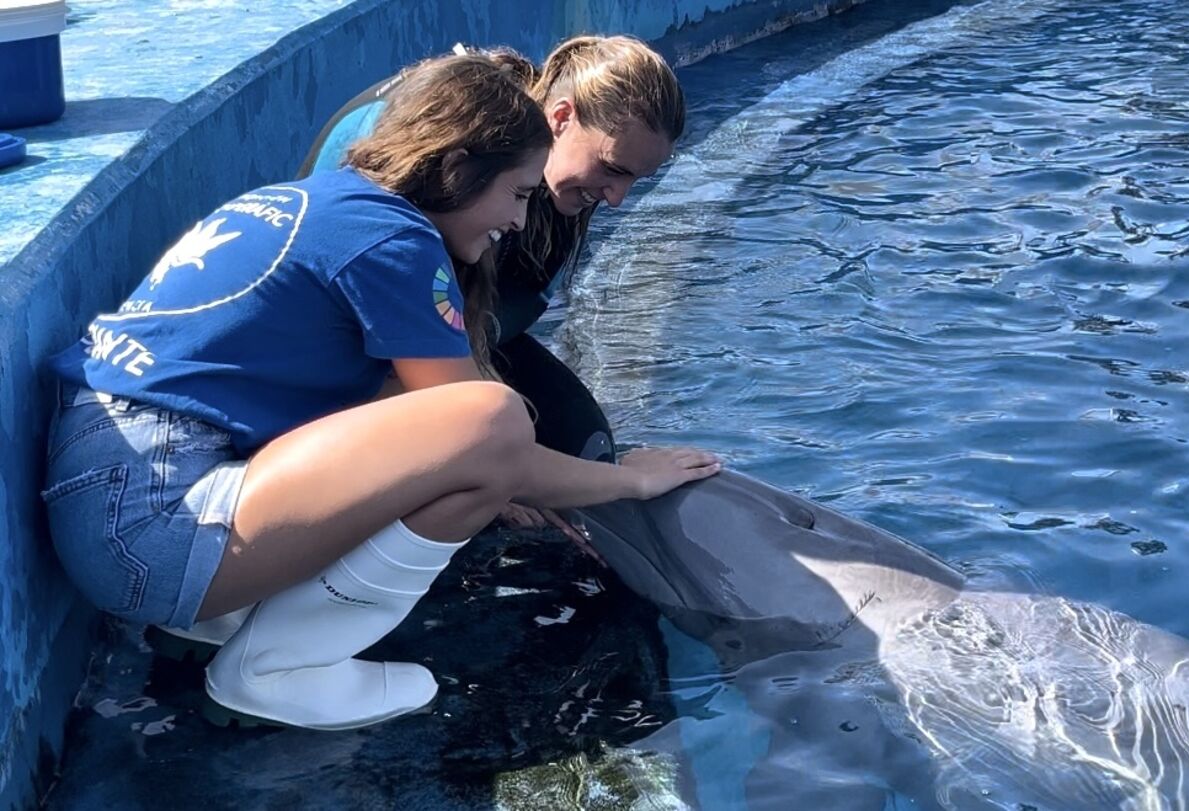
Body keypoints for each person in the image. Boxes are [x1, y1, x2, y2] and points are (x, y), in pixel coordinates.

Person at [41, 51, 720, 732]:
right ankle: (280, 666)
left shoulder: (334, 203)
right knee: (491, 419)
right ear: (459, 172)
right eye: (516, 193)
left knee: (459, 426)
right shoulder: (391, 241)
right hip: (145, 528)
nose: (519, 220)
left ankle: (236, 618)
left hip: (115, 499)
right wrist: (628, 482)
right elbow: (484, 443)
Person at [299, 37, 683, 484]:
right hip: (346, 341)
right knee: (479, 475)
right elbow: (396, 355)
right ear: (560, 118)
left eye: (636, 179)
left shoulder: (556, 185)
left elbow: (491, 325)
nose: (617, 199)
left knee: (581, 445)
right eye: (613, 169)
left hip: (447, 333)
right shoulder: (454, 163)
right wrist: (514, 483)